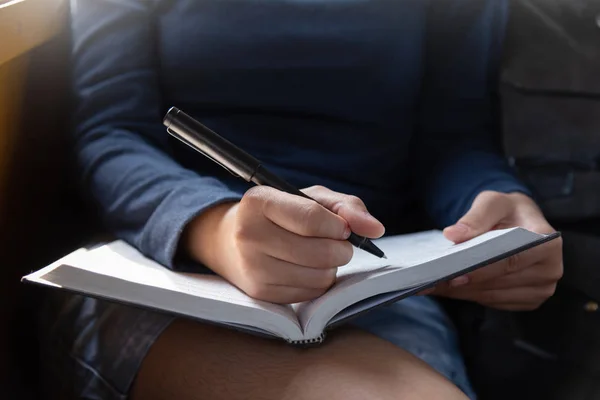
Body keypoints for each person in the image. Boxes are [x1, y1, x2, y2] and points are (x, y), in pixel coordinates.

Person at [38, 0, 563, 399]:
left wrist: (498, 206)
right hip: (159, 275)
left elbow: (452, 135)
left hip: (373, 290)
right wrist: (216, 228)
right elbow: (111, 133)